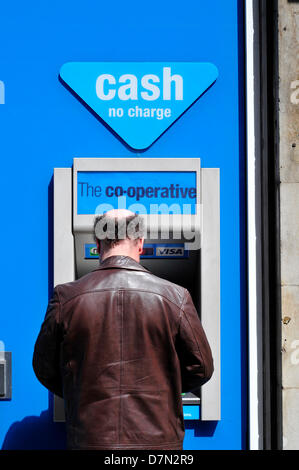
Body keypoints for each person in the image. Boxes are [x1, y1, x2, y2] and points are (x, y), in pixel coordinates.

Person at [33, 209, 213, 450]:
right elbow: (201, 368)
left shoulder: (66, 297)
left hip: (91, 440)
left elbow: (44, 368)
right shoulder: (176, 296)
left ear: (97, 243)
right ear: (140, 243)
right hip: (159, 444)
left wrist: (82, 391)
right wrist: (161, 388)